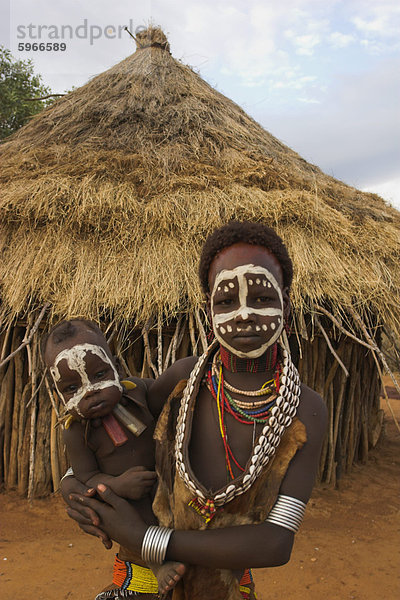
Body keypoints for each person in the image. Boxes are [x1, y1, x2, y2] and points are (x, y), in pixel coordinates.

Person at [63, 221, 328, 600]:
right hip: (142, 584)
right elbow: (108, 436)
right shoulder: (182, 381)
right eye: (226, 301)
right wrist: (73, 486)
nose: (243, 314)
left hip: (226, 588)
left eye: (262, 298)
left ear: (286, 308)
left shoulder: (305, 410)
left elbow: (276, 541)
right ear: (208, 312)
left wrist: (147, 539)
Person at [42, 319, 185, 598]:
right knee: (121, 514)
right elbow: (86, 478)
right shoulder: (75, 433)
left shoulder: (140, 392)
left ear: (117, 367)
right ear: (57, 391)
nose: (90, 391)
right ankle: (155, 563)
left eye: (98, 376)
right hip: (127, 499)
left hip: (164, 486)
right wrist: (119, 486)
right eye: (72, 388)